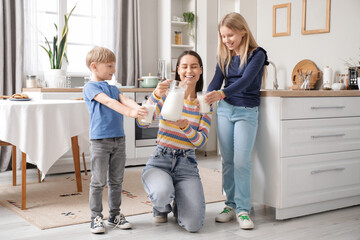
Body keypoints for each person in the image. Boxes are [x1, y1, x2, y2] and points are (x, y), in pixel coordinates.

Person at [205, 12, 269, 230]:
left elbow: (246, 81)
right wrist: (205, 97)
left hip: (246, 111)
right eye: (223, 36)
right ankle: (230, 205)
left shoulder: (257, 55)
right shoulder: (224, 56)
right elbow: (215, 81)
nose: (226, 41)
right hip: (224, 111)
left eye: (230, 35)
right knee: (228, 161)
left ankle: (243, 209)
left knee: (242, 162)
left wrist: (221, 94)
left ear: (243, 31)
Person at [137, 50, 212, 233]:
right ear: (178, 70)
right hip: (161, 159)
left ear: (200, 70)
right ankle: (161, 206)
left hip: (187, 164)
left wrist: (186, 127)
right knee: (162, 194)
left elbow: (200, 142)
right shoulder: (167, 96)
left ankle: (180, 199)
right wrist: (155, 94)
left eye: (194, 66)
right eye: (184, 66)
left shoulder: (203, 103)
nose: (189, 71)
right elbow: (143, 122)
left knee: (193, 225)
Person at [83, 46, 148, 234]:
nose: (113, 70)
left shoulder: (113, 88)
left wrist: (139, 108)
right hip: (100, 142)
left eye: (114, 65)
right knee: (98, 181)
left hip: (119, 140)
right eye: (109, 66)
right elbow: (109, 102)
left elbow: (124, 99)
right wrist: (130, 113)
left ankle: (114, 215)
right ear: (94, 67)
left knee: (116, 181)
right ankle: (96, 216)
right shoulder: (90, 88)